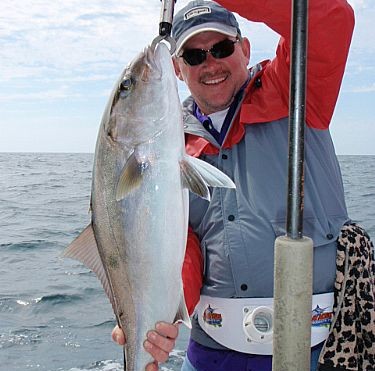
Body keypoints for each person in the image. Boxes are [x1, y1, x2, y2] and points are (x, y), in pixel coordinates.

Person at [113, 0, 374, 370]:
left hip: (318, 352)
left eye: (221, 48)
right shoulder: (168, 148)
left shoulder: (296, 90)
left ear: (245, 49)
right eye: (193, 55)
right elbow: (180, 246)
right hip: (209, 353)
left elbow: (328, 17)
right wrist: (164, 314)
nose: (210, 64)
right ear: (176, 68)